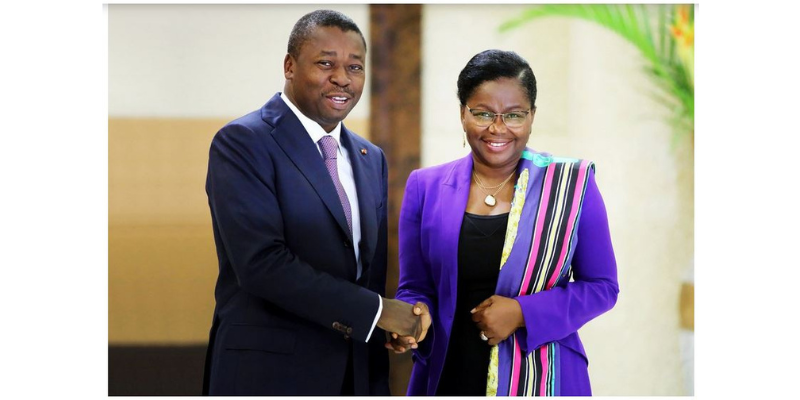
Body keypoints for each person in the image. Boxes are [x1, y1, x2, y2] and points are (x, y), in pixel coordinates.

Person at [202, 9, 428, 395]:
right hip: (269, 374)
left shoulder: (370, 157)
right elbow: (261, 264)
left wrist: (381, 326)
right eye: (326, 63)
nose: (342, 78)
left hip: (357, 375)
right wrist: (376, 311)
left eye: (355, 67)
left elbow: (367, 273)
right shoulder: (243, 142)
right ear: (290, 66)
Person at [388, 50, 619, 396]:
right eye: (483, 113)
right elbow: (415, 286)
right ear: (463, 113)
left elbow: (602, 287)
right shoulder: (425, 187)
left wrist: (522, 312)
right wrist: (414, 317)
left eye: (514, 115)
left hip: (542, 373)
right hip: (450, 372)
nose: (498, 128)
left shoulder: (571, 184)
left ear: (532, 116)